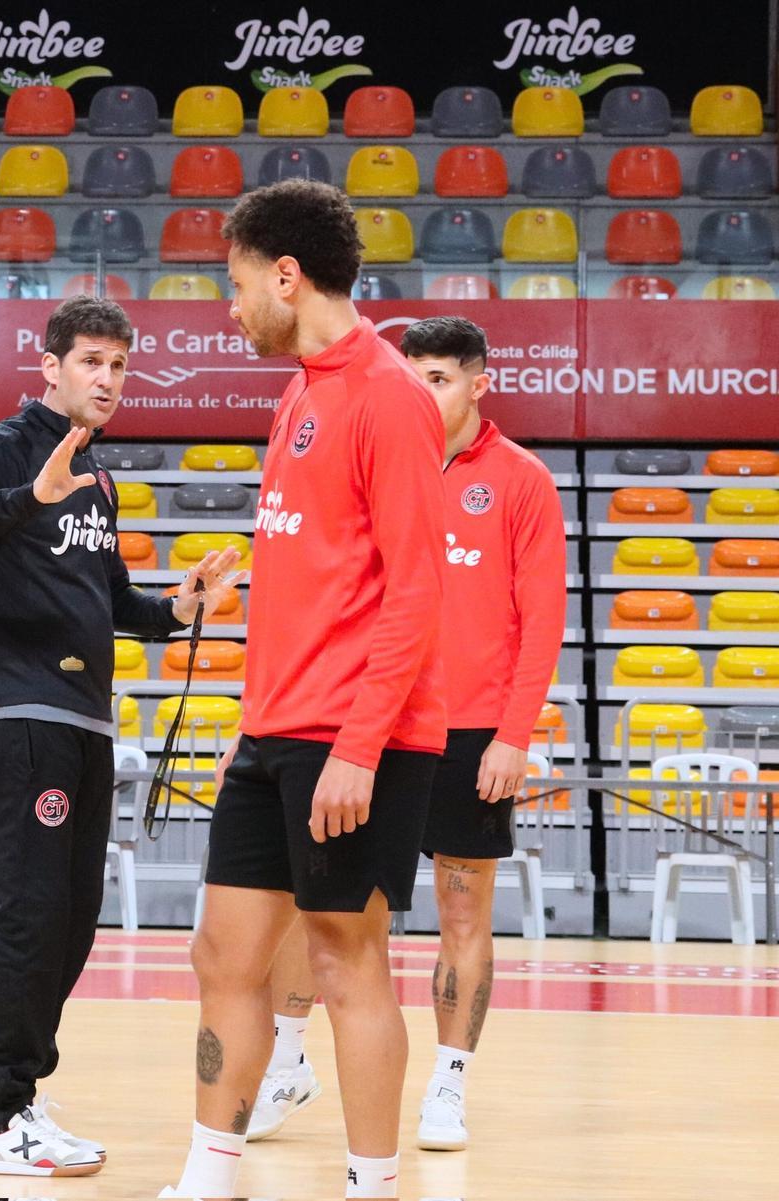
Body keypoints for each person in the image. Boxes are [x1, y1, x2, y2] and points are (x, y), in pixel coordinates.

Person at [159, 180, 448, 1201]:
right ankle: (213, 1168)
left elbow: (418, 588)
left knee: (344, 965)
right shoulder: (299, 391)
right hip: (273, 729)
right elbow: (334, 552)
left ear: (287, 276)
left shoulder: (390, 395)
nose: (229, 308)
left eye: (236, 285)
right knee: (222, 955)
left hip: (354, 737)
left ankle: (373, 1183)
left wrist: (361, 747)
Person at [0, 295, 242, 1179]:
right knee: (29, 919)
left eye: (120, 365)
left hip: (82, 722)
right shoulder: (10, 446)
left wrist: (183, 609)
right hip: (17, 717)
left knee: (71, 925)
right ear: (50, 366)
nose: (107, 379)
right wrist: (31, 493)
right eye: (91, 361)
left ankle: (20, 1096)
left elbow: (114, 603)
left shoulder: (96, 477)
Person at [247, 315, 568, 1155]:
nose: (424, 393)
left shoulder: (522, 480)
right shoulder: (375, 445)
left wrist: (513, 733)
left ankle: (450, 1083)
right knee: (328, 913)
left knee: (464, 908)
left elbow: (542, 623)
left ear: (476, 382)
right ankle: (288, 1060)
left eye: (441, 379)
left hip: (469, 732)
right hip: (366, 722)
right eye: (413, 375)